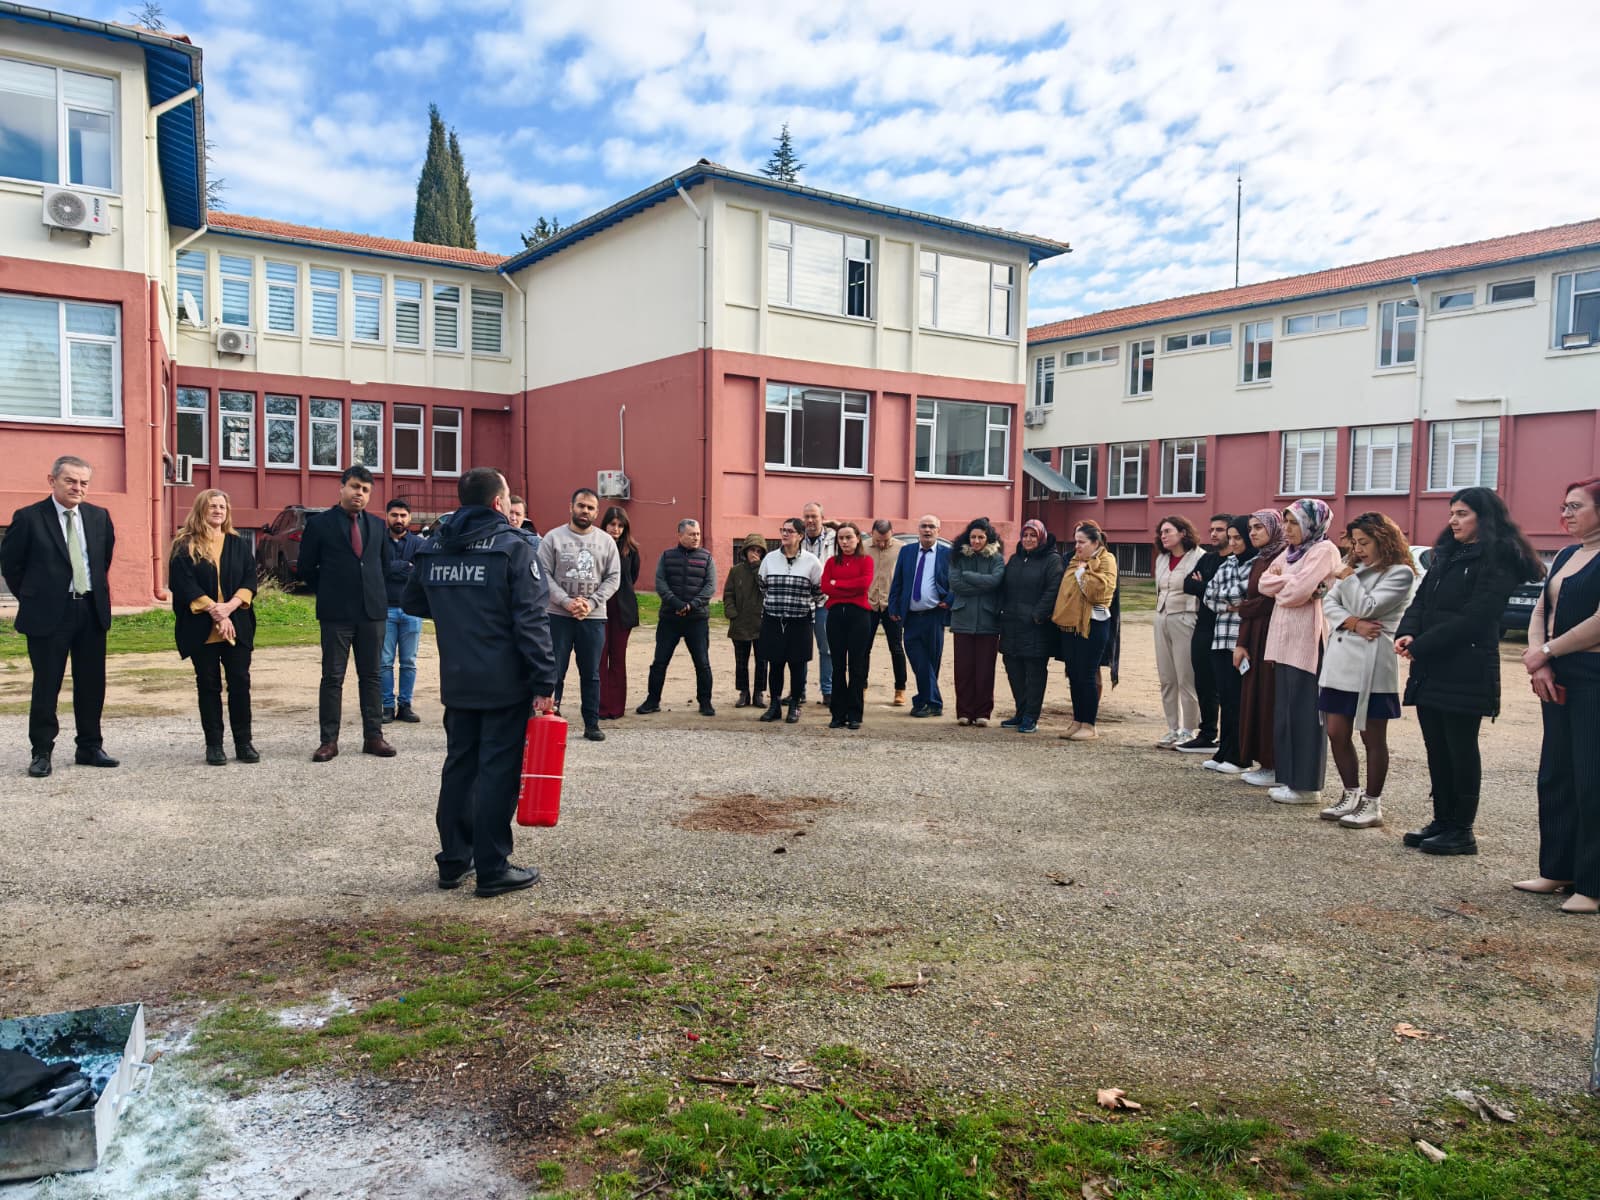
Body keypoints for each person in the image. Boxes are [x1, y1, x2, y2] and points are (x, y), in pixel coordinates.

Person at [403, 467, 555, 897]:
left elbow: (413, 599)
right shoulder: (513, 548)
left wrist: (459, 613)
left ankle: (453, 861)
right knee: (497, 774)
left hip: (458, 677)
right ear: (498, 503)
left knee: (459, 768)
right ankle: (492, 868)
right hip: (504, 681)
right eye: (507, 498)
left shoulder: (437, 544)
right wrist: (545, 680)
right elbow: (531, 620)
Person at [1396, 487, 1541, 856]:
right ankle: (1442, 820)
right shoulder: (1447, 553)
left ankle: (1462, 829)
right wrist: (1408, 631)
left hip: (1466, 665)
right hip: (1432, 665)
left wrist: (1422, 644)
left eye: (1462, 514)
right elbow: (1421, 600)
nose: (1453, 521)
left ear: (1484, 517)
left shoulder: (1498, 558)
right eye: (1451, 513)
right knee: (1436, 746)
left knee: (1460, 747)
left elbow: (1477, 617)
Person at [1, 455, 117, 778]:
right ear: (52, 481)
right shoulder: (28, 518)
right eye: (70, 481)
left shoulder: (98, 517)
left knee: (92, 684)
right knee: (47, 684)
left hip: (90, 611)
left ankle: (90, 746)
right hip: (48, 614)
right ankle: (41, 752)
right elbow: (11, 565)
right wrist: (36, 595)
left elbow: (102, 560)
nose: (78, 487)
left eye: (83, 482)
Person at [1520, 477, 1600, 912]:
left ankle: (1592, 884)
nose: (1566, 514)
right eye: (1564, 506)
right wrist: (1541, 657)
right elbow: (1540, 609)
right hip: (1557, 672)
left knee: (1592, 778)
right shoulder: (1568, 554)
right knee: (1557, 772)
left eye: (1576, 506)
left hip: (1593, 674)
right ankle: (1558, 868)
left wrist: (1548, 650)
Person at [1316, 512, 1417, 829]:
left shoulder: (1400, 574)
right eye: (1355, 542)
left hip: (1372, 662)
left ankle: (1372, 803)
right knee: (1336, 731)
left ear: (1383, 540)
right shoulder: (1355, 570)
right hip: (1341, 658)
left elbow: (1369, 607)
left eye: (1365, 542)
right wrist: (1353, 622)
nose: (1358, 549)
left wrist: (1349, 583)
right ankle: (1350, 793)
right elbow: (1328, 604)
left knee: (1372, 736)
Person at [297, 465, 395, 762]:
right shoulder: (320, 524)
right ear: (342, 488)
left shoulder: (378, 527)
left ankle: (374, 737)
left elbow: (384, 566)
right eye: (354, 487)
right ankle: (329, 741)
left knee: (372, 676)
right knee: (332, 677)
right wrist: (330, 590)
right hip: (336, 613)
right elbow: (305, 569)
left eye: (365, 490)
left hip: (372, 613)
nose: (359, 494)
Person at [1257, 499, 1342, 804]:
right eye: (1286, 522)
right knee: (1286, 713)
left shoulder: (1323, 550)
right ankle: (1290, 779)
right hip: (1283, 642)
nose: (1287, 529)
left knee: (1306, 714)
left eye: (1293, 522)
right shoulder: (1292, 552)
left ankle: (1307, 785)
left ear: (1312, 523)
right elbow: (1264, 583)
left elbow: (1295, 594)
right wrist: (1289, 582)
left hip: (1307, 642)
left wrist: (1287, 585)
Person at [168, 490, 258, 766]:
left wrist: (229, 607)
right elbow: (182, 584)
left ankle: (244, 742)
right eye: (212, 506)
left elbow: (249, 579)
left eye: (222, 506)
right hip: (201, 626)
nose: (218, 510)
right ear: (201, 510)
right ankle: (214, 745)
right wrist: (215, 611)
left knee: (240, 683)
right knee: (208, 685)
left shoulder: (238, 543)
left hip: (236, 624)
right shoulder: (185, 544)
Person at [538, 488, 621, 743]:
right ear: (571, 507)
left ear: (596, 512)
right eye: (581, 506)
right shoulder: (553, 538)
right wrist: (565, 601)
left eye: (590, 508)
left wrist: (592, 603)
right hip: (558, 616)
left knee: (592, 673)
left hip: (593, 618)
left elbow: (613, 577)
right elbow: (543, 575)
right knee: (555, 671)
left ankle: (591, 723)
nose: (585, 511)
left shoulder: (606, 541)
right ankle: (552, 715)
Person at [637, 518, 716, 716]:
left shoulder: (706, 558)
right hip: (669, 619)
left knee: (702, 662)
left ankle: (705, 702)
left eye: (697, 534)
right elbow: (661, 583)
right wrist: (677, 604)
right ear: (680, 535)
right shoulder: (667, 556)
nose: (696, 537)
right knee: (659, 662)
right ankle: (652, 700)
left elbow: (710, 587)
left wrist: (692, 605)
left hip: (697, 619)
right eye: (691, 534)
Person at [1200, 516, 1257, 774]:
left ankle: (1240, 755)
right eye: (1230, 538)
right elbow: (1209, 597)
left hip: (1241, 640)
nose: (1233, 543)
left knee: (1239, 699)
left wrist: (1233, 600)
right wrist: (1233, 602)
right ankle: (1224, 750)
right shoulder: (1228, 563)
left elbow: (1246, 594)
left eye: (1237, 538)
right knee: (1225, 697)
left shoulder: (1258, 564)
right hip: (1220, 638)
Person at [1235, 510, 1287, 787]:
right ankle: (1262, 760)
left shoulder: (1282, 557)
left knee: (1269, 697)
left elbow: (1269, 600)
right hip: (1255, 631)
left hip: (1272, 632)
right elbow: (1253, 600)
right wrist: (1241, 643)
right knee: (1254, 696)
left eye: (1259, 528)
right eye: (1251, 527)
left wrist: (1241, 607)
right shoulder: (1262, 558)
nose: (1253, 532)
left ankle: (1274, 762)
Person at [1054, 520, 1119, 741]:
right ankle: (1077, 720)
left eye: (1082, 542)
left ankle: (1089, 725)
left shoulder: (1107, 560)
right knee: (1074, 674)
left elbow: (1100, 592)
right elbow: (1065, 592)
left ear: (1095, 543)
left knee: (1087, 675)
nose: (1077, 547)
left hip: (1094, 624)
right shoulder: (1074, 561)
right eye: (1076, 542)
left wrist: (1083, 574)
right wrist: (1080, 571)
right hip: (1071, 624)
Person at [999, 519, 1064, 735]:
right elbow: (1005, 587)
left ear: (1041, 537)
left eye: (1033, 536)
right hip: (1011, 624)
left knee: (1034, 673)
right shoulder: (1016, 559)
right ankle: (1020, 711)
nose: (1028, 539)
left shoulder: (1052, 560)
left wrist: (1038, 615)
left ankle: (1031, 716)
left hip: (1036, 627)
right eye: (1025, 535)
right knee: (1014, 671)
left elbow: (1054, 589)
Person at [886, 515, 953, 718]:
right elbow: (897, 580)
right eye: (923, 526)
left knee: (931, 661)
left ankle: (924, 702)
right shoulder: (907, 551)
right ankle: (932, 701)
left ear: (938, 531)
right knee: (917, 659)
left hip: (934, 616)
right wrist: (893, 607)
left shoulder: (946, 554)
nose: (927, 530)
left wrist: (948, 600)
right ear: (918, 530)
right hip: (911, 616)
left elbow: (956, 582)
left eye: (932, 526)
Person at [757, 518, 823, 723]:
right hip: (773, 619)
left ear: (801, 535)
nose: (785, 534)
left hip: (800, 621)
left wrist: (799, 604)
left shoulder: (812, 561)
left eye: (790, 531)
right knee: (775, 664)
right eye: (782, 530)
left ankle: (794, 704)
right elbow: (762, 585)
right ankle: (774, 705)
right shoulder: (769, 558)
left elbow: (819, 592)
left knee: (797, 664)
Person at [1176, 514, 1231, 753]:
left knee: (1226, 685)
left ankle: (1229, 737)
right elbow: (1188, 584)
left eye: (1220, 529)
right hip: (1204, 627)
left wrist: (1204, 586)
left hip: (1228, 628)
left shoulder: (1236, 561)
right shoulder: (1208, 558)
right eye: (1212, 529)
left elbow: (1228, 593)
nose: (1214, 534)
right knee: (1204, 682)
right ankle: (1207, 733)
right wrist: (1208, 588)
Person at [1152, 516, 1204, 747]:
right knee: (1166, 677)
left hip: (1185, 617)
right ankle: (1172, 727)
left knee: (1186, 676)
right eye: (1161, 532)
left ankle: (1189, 728)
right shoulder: (1162, 559)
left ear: (1183, 533)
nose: (1163, 536)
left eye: (1167, 531)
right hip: (1162, 617)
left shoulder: (1199, 557)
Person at [946, 517, 1004, 727]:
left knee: (985, 670)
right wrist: (983, 583)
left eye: (981, 537)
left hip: (988, 621)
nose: (977, 541)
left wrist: (969, 576)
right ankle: (964, 711)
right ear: (967, 537)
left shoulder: (996, 558)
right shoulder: (958, 557)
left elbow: (996, 581)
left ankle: (983, 713)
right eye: (973, 537)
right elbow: (955, 584)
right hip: (962, 619)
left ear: (988, 538)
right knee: (963, 669)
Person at [822, 522, 874, 729]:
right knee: (837, 665)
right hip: (835, 615)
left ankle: (855, 714)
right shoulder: (831, 562)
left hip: (859, 615)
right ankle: (837, 714)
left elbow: (863, 584)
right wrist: (838, 587)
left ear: (857, 539)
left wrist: (838, 584)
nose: (844, 542)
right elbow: (825, 586)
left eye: (848, 537)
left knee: (856, 665)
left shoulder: (866, 560)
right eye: (841, 538)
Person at [380, 499, 424, 725]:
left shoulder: (418, 543)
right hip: (384, 608)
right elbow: (380, 570)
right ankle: (387, 706)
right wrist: (404, 567)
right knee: (385, 662)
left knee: (409, 661)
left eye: (403, 515)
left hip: (411, 610)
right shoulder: (378, 541)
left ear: (410, 518)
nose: (399, 519)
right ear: (387, 516)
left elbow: (420, 572)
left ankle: (405, 705)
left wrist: (395, 568)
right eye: (394, 515)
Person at [598, 506, 640, 721]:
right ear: (604, 524)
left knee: (617, 658)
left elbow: (632, 577)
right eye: (612, 524)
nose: (616, 529)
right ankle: (601, 706)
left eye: (620, 525)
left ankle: (616, 707)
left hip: (622, 610)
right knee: (599, 656)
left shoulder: (631, 550)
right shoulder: (594, 545)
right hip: (598, 608)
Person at [723, 533, 770, 709]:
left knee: (762, 661)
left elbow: (766, 588)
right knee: (741, 661)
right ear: (745, 551)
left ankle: (759, 692)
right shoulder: (736, 571)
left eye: (758, 551)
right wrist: (731, 611)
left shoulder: (766, 569)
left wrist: (757, 567)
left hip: (761, 622)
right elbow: (728, 593)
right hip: (740, 622)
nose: (754, 553)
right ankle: (743, 692)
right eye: (752, 549)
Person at [865, 520, 909, 706]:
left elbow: (906, 577)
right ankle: (861, 686)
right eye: (878, 540)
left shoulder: (902, 549)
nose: (881, 544)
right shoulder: (863, 547)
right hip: (868, 604)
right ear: (871, 533)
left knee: (896, 648)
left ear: (892, 533)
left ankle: (900, 689)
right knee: (863, 648)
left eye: (885, 541)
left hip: (892, 605)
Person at [800, 502, 837, 706]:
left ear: (823, 518)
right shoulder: (798, 538)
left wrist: (840, 525)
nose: (810, 521)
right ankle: (799, 690)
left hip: (825, 602)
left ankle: (828, 691)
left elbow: (861, 542)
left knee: (827, 648)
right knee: (800, 648)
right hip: (802, 603)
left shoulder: (835, 538)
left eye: (814, 516)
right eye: (807, 517)